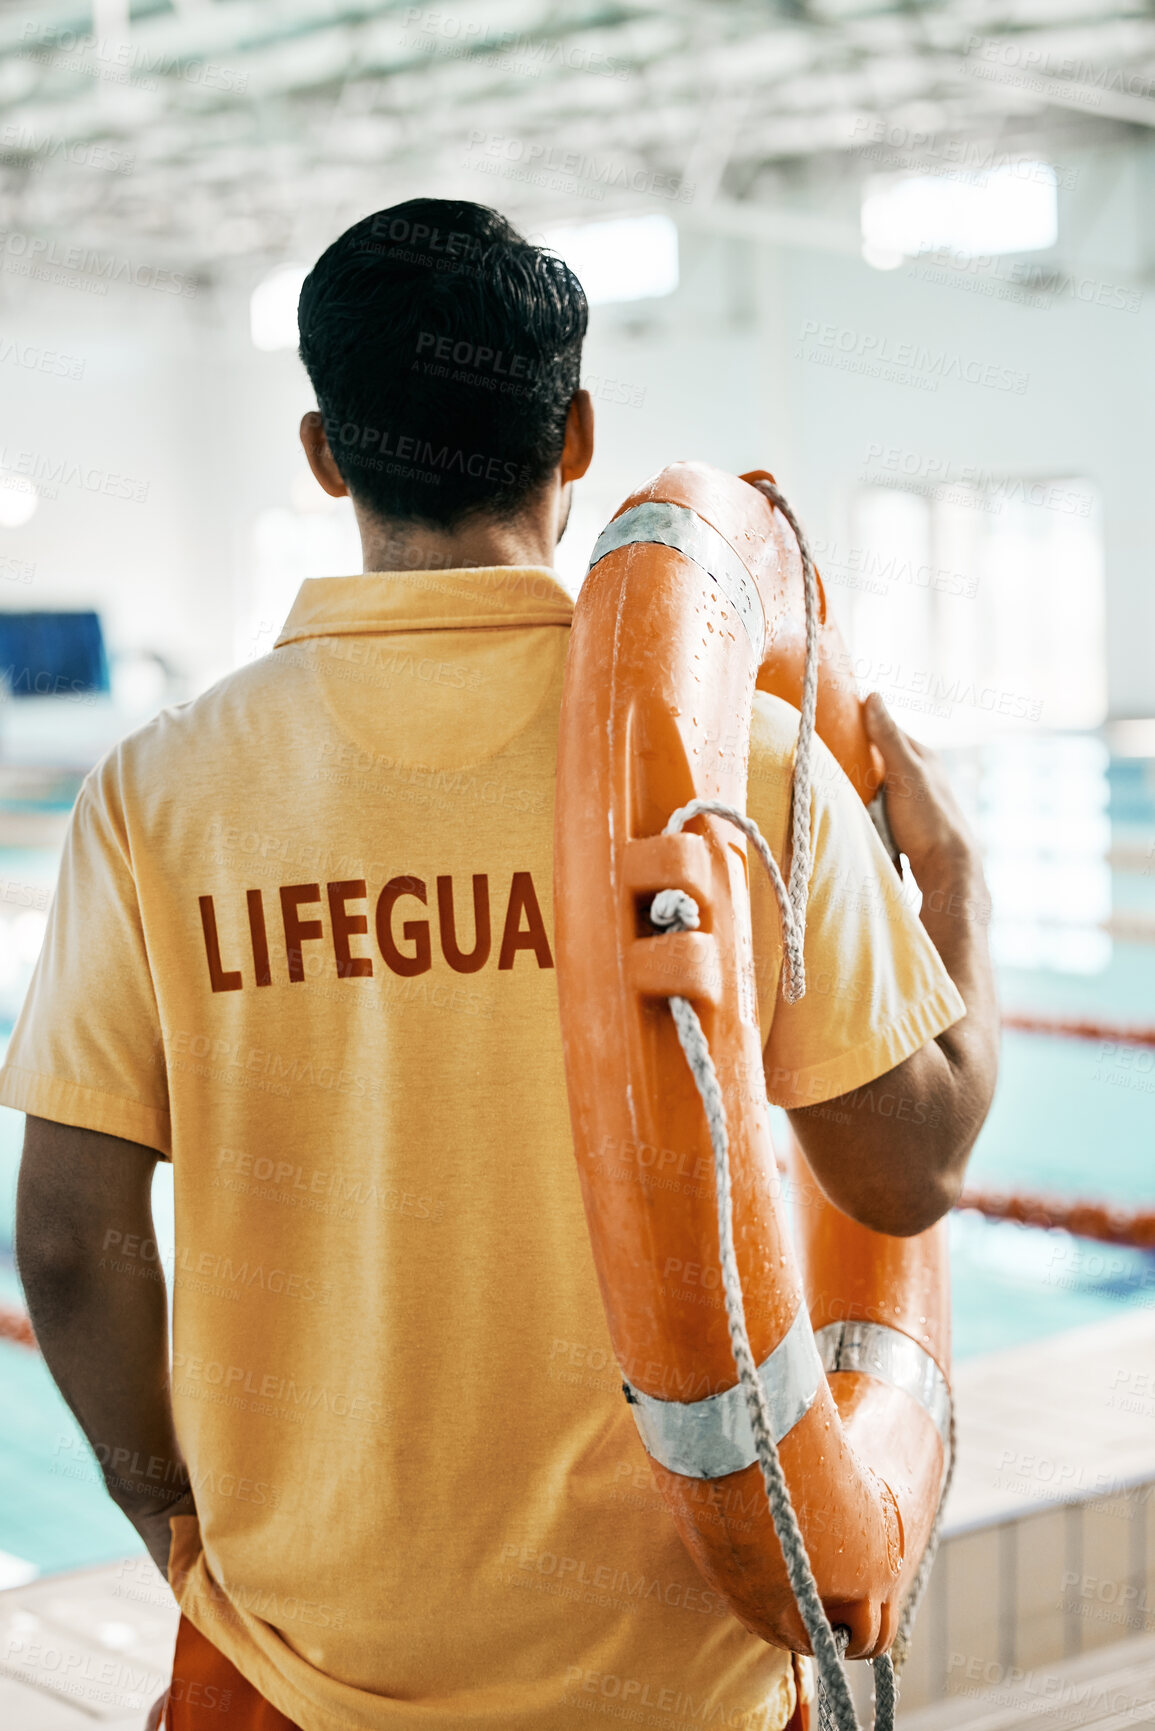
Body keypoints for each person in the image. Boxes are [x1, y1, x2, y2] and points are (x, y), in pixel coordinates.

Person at [3, 198, 998, 1731]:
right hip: (682, 1683)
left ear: (325, 452)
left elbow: (68, 1246)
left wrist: (175, 1525)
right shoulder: (749, 768)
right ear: (579, 433)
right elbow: (906, 1171)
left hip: (299, 1673)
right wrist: (962, 895)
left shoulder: (159, 792)